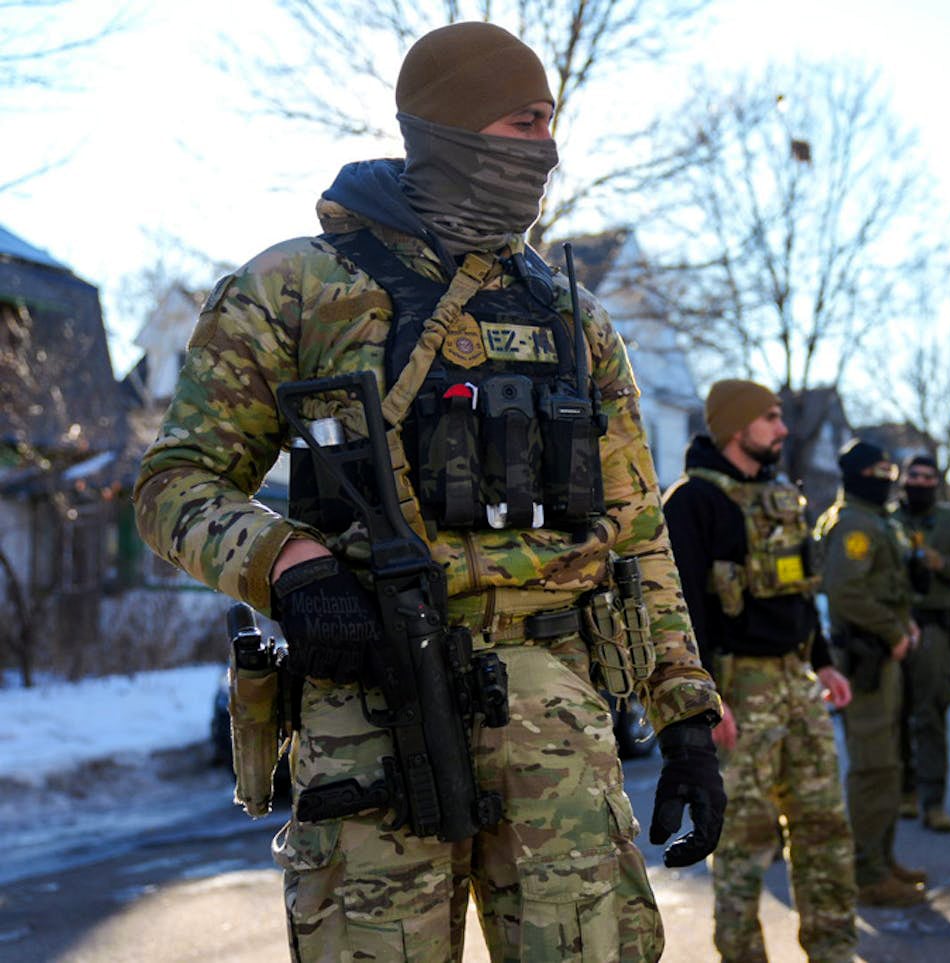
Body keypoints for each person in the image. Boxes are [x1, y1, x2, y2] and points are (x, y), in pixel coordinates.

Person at [133, 23, 723, 962]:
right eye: (526, 122)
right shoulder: (297, 288)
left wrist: (685, 711)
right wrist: (284, 561)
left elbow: (636, 529)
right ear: (450, 125)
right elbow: (173, 485)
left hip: (557, 714)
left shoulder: (576, 316)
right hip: (370, 701)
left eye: (550, 124)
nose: (547, 148)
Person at [662, 380, 857, 963]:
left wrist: (823, 661)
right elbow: (684, 614)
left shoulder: (779, 496)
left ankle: (834, 951)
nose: (783, 428)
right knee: (744, 844)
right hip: (737, 690)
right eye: (770, 418)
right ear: (735, 427)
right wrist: (706, 703)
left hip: (797, 683)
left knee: (825, 829)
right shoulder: (692, 502)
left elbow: (800, 590)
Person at [814, 439, 926, 908]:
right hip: (867, 657)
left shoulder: (875, 519)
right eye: (879, 470)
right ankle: (867, 872)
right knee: (873, 767)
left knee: (887, 764)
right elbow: (846, 593)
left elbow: (885, 586)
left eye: (890, 469)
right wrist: (892, 631)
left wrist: (905, 623)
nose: (889, 478)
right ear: (859, 473)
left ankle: (882, 857)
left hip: (883, 654)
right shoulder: (854, 523)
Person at [890, 454, 950, 832]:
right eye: (913, 475)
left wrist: (942, 564)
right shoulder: (888, 520)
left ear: (937, 481)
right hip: (895, 625)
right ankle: (905, 792)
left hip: (934, 628)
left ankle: (934, 802)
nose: (919, 482)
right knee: (895, 715)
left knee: (930, 716)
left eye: (927, 477)